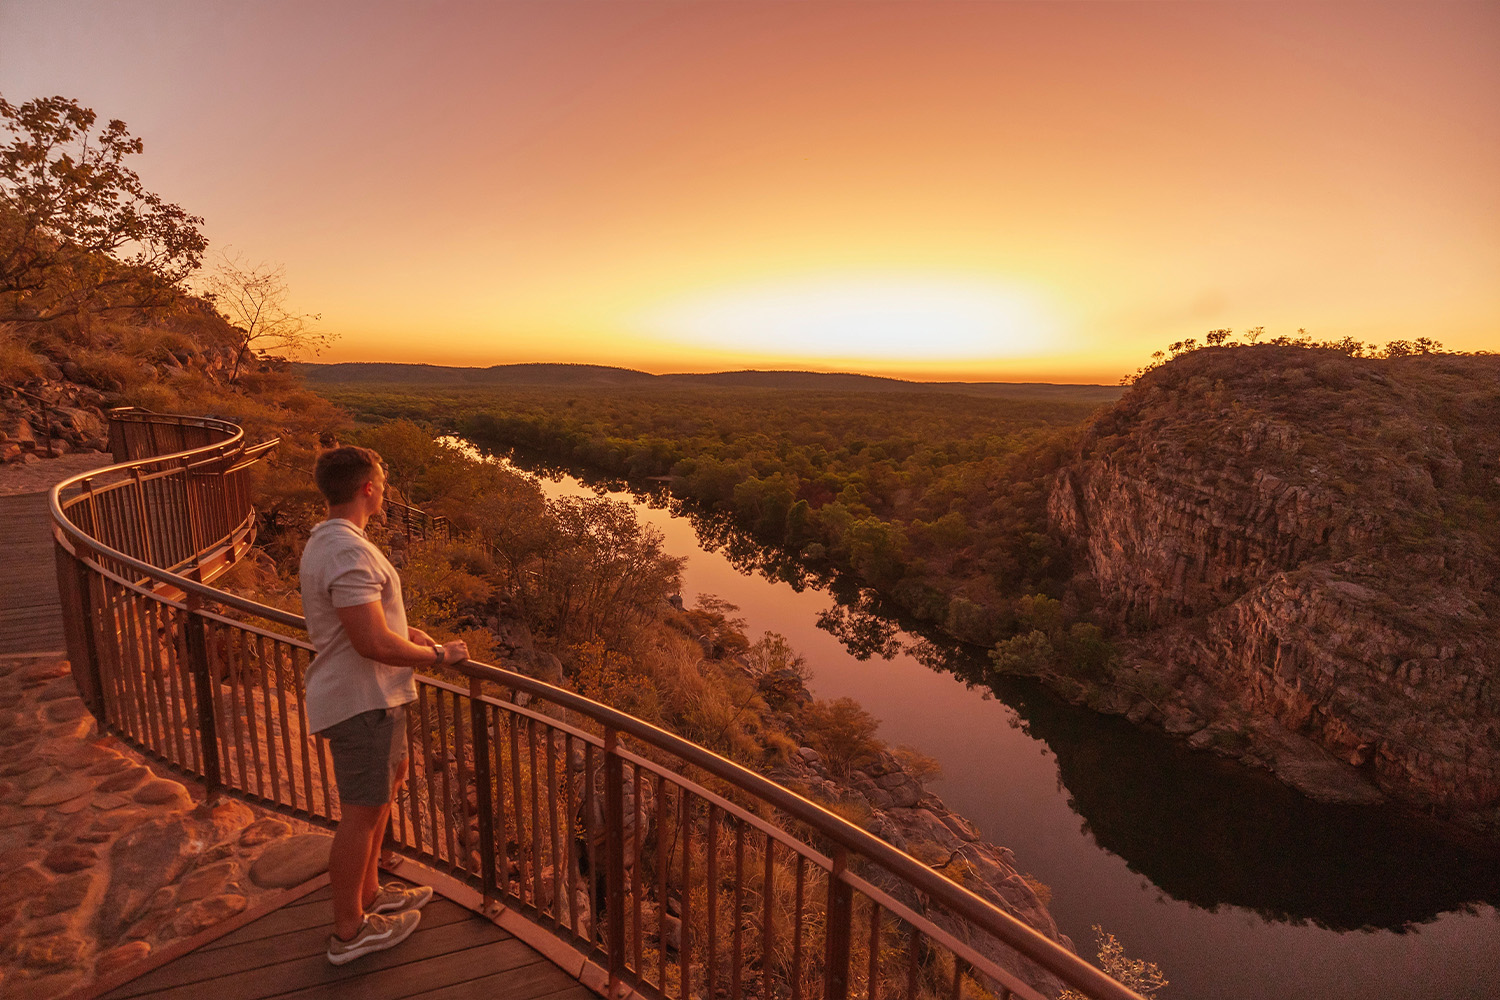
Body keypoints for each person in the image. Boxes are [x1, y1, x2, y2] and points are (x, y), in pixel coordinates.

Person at [299, 445, 468, 965]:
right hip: (361, 702)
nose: (386, 489)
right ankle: (349, 931)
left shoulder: (334, 541)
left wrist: (404, 633)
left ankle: (371, 896)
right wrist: (436, 654)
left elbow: (369, 624)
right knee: (360, 814)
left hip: (376, 698)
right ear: (367, 488)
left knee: (385, 792)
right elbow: (369, 642)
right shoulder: (346, 551)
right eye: (383, 479)